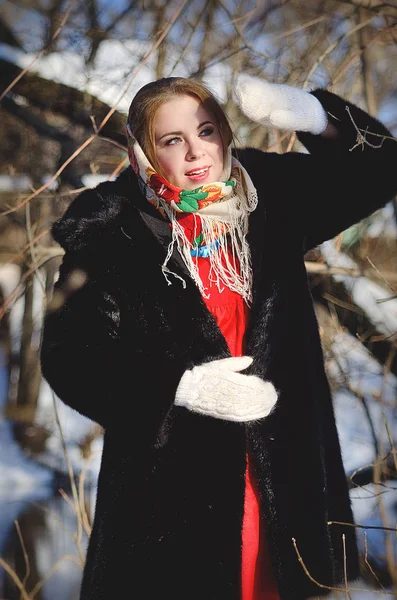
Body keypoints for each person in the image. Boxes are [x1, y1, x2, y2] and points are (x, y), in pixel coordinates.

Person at [40, 75, 397, 600]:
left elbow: (382, 169)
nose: (195, 152)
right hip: (171, 505)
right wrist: (178, 389)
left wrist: (316, 117)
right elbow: (69, 358)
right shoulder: (113, 232)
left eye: (206, 130)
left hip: (286, 489)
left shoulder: (272, 198)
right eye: (172, 140)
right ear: (146, 150)